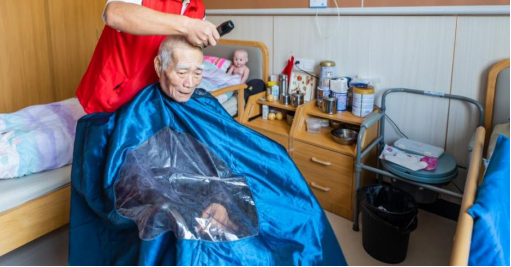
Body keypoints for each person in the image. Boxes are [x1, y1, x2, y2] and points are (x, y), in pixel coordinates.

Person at [70, 36, 347, 266]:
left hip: (219, 187)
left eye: (198, 72)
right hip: (177, 195)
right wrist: (196, 204)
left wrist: (222, 198)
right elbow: (137, 177)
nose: (190, 83)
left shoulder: (203, 103)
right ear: (159, 65)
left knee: (301, 212)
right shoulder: (140, 113)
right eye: (181, 72)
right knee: (215, 242)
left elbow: (228, 155)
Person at [77, 0, 238, 114]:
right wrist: (186, 25)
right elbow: (115, 14)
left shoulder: (198, 9)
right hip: (110, 101)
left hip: (153, 104)